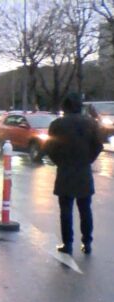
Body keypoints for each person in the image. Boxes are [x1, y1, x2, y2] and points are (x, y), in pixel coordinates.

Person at [45, 93, 102, 254]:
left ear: (65, 107)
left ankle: (68, 244)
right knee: (85, 209)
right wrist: (87, 160)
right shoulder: (90, 123)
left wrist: (60, 162)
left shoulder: (57, 125)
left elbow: (50, 148)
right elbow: (98, 146)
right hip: (83, 171)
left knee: (66, 210)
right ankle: (87, 242)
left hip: (65, 171)